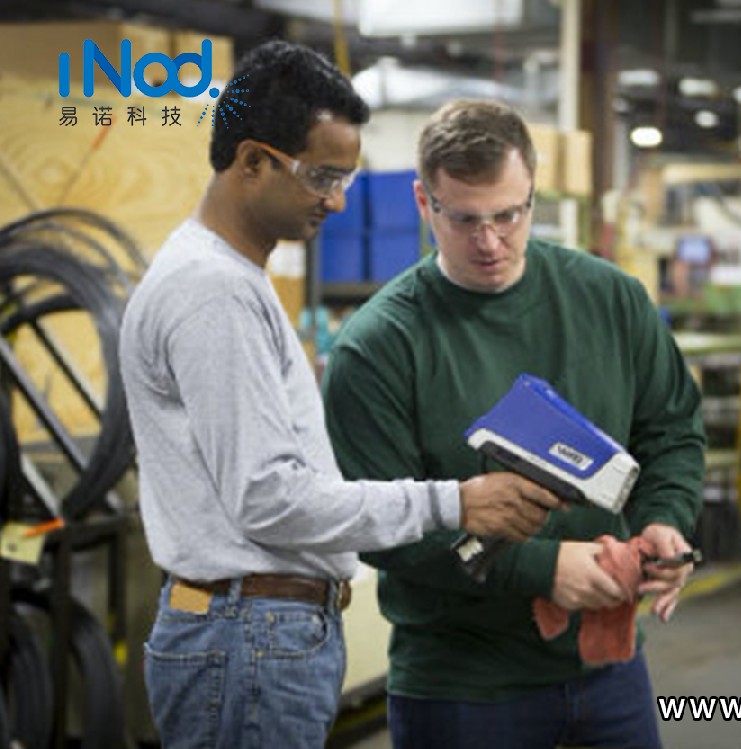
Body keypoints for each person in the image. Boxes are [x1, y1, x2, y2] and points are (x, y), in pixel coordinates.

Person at [119, 47, 560, 749]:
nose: (336, 200)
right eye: (322, 176)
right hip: (250, 638)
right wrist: (453, 502)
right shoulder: (214, 292)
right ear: (253, 161)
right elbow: (268, 496)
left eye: (344, 178)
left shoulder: (227, 277)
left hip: (255, 635)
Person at [323, 98, 706, 749]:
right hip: (463, 687)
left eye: (509, 214)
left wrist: (663, 519)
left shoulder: (611, 300)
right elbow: (380, 526)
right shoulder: (380, 346)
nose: (490, 241)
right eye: (464, 219)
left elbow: (671, 430)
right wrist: (540, 569)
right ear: (423, 202)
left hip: (608, 670)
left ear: (533, 191)